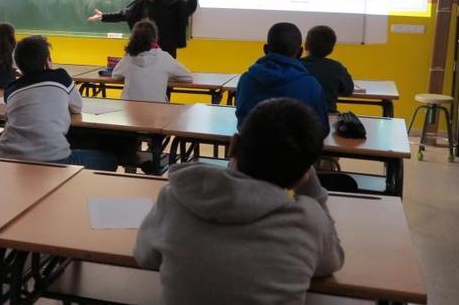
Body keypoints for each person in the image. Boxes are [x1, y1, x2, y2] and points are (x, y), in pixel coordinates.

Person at [134, 98, 344, 304]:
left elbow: (144, 257)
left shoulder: (174, 198)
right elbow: (332, 261)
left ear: (233, 144)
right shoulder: (308, 220)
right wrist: (314, 193)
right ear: (304, 176)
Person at [0, 36, 117, 170]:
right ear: (47, 61)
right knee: (109, 159)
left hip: (6, 157)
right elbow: (77, 107)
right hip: (52, 159)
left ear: (19, 65)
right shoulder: (60, 77)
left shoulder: (11, 88)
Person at [235, 22, 329, 136]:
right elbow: (322, 130)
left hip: (253, 151)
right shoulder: (312, 86)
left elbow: (241, 124)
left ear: (265, 49)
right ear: (300, 52)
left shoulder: (246, 80)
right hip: (297, 153)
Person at [88, 0, 197, 58]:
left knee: (165, 83)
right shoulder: (144, 2)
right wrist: (103, 16)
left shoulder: (176, 4)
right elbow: (124, 14)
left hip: (167, 52)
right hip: (146, 50)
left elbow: (191, 6)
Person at [112, 19, 192, 103]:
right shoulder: (164, 57)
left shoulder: (128, 57)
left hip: (129, 111)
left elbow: (115, 75)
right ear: (155, 38)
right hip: (156, 111)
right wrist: (166, 76)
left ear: (133, 38)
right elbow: (187, 77)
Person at [301, 25, 354, 113]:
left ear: (306, 45)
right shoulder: (336, 68)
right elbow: (348, 90)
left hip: (298, 116)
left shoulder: (294, 65)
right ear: (331, 49)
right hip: (327, 117)